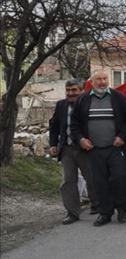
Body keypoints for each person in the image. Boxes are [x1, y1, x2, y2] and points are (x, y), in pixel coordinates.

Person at [70, 70, 126, 226]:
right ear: (92, 82)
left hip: (116, 148)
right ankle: (105, 213)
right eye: (98, 79)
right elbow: (74, 124)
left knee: (120, 178)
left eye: (105, 78)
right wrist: (81, 139)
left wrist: (122, 136)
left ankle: (121, 208)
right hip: (94, 149)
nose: (102, 82)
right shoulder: (83, 100)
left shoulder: (119, 97)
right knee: (99, 182)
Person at [48, 79, 97, 224]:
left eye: (74, 90)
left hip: (85, 149)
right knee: (68, 181)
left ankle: (97, 204)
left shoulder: (90, 103)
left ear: (82, 90)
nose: (71, 93)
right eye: (68, 90)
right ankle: (72, 212)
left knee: (92, 178)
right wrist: (53, 144)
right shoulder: (61, 105)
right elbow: (54, 125)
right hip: (67, 149)